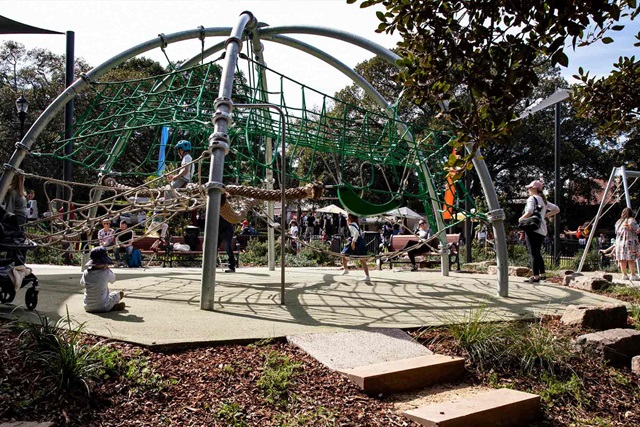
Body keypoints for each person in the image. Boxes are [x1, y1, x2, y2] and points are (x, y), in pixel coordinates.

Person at [519, 180, 560, 283]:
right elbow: (557, 209)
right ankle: (542, 274)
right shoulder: (543, 200)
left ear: (534, 189)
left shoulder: (531, 199)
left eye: (529, 188)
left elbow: (529, 211)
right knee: (537, 253)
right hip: (542, 229)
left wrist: (520, 219)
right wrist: (544, 216)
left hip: (532, 228)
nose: (528, 190)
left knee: (533, 252)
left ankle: (535, 276)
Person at [81, 247, 125, 313]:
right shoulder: (106, 272)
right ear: (105, 263)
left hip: (87, 306)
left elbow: (82, 283)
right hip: (103, 306)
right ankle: (112, 306)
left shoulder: (86, 273)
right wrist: (108, 270)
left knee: (106, 296)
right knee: (116, 294)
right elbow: (113, 279)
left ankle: (111, 306)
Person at [339, 213, 371, 282]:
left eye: (347, 218)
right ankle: (367, 276)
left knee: (343, 254)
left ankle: (346, 269)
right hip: (360, 241)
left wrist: (353, 241)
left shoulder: (351, 225)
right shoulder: (356, 224)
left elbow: (356, 233)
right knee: (362, 259)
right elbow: (359, 233)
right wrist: (351, 238)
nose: (346, 219)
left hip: (356, 241)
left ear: (350, 218)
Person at [613, 207, 640, 280]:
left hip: (619, 243)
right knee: (631, 259)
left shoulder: (618, 222)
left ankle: (624, 275)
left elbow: (616, 231)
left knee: (622, 259)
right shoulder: (632, 220)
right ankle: (633, 275)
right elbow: (637, 230)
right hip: (629, 242)